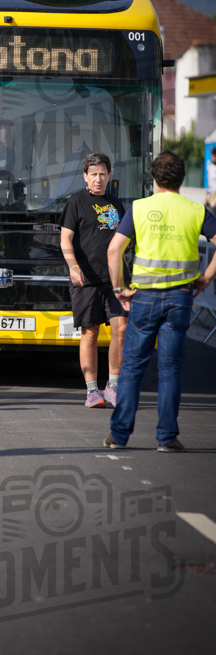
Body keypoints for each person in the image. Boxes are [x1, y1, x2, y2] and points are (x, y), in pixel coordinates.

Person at [105, 150, 216, 452]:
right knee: (170, 369)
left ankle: (120, 435)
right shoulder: (196, 211)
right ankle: (167, 437)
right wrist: (205, 277)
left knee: (132, 367)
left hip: (144, 297)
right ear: (181, 178)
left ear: (154, 178)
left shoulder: (139, 208)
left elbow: (114, 250)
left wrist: (119, 289)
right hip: (180, 298)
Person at [59, 152, 128, 408]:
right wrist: (73, 266)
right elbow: (65, 238)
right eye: (93, 174)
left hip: (116, 277)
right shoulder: (76, 202)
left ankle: (113, 386)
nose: (98, 179)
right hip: (86, 278)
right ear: (85, 176)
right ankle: (91, 391)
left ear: (109, 176)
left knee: (120, 330)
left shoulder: (115, 203)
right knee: (90, 333)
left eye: (102, 174)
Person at [205, 147, 216, 215]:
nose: (212, 158)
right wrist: (206, 198)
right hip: (210, 196)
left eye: (214, 156)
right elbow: (209, 185)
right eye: (212, 156)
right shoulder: (210, 167)